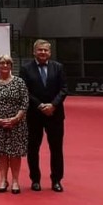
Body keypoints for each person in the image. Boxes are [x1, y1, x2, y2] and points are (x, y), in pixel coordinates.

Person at [20, 39, 67, 192]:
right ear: (34, 52)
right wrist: (40, 105)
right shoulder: (25, 69)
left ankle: (56, 180)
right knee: (33, 148)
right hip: (34, 114)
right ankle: (35, 179)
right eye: (40, 50)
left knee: (56, 148)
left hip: (55, 114)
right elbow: (24, 91)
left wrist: (53, 105)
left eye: (45, 50)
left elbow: (64, 89)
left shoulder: (58, 67)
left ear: (50, 52)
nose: (42, 52)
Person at [0, 55, 29, 194]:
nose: (5, 65)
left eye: (7, 63)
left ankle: (15, 180)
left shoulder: (19, 82)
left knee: (15, 153)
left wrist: (16, 118)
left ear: (11, 66)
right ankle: (3, 180)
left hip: (17, 124)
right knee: (2, 153)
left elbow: (25, 102)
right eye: (2, 63)